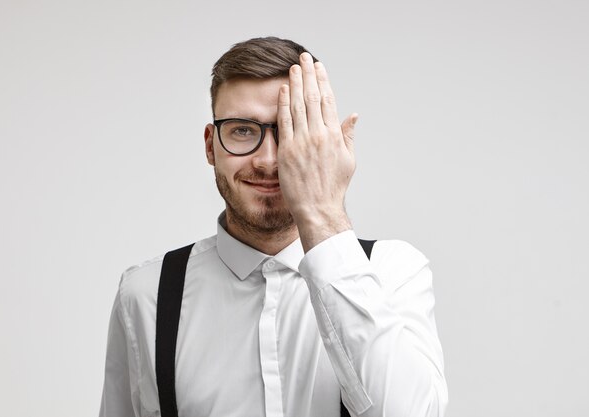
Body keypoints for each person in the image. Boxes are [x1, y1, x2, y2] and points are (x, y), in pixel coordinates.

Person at [99, 36, 448, 417]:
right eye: (243, 131)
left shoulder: (392, 272)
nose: (267, 161)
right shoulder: (146, 294)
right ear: (210, 146)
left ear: (325, 144)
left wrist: (324, 215)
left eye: (288, 130)